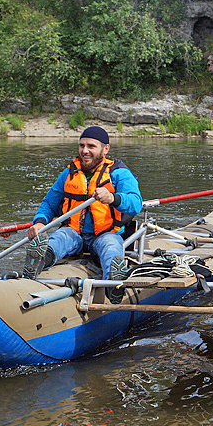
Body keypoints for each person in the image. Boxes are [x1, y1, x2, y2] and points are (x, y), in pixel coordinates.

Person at [23, 126, 143, 303]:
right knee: (59, 238)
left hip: (106, 233)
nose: (85, 151)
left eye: (91, 146)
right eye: (81, 146)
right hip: (74, 233)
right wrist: (40, 222)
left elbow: (135, 204)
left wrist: (112, 197)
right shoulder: (69, 173)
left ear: (105, 149)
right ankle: (39, 260)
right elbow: (49, 203)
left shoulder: (118, 173)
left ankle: (114, 284)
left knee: (111, 248)